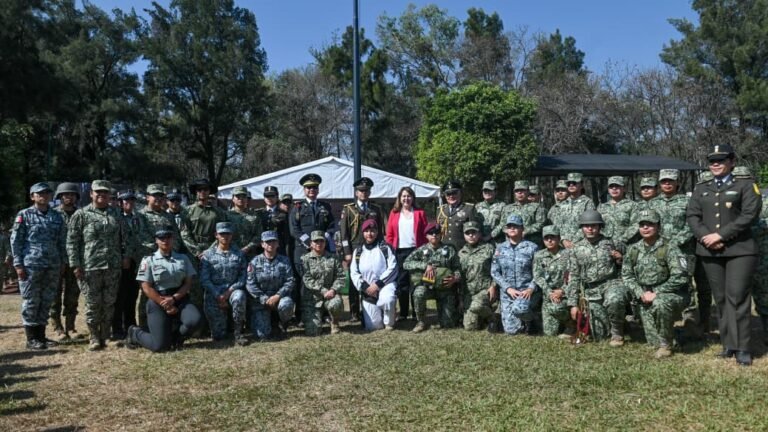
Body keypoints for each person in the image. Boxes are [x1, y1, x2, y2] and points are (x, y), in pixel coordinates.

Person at [687, 144, 762, 366]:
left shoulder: (746, 185)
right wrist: (705, 237)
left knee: (737, 297)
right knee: (720, 299)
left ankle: (743, 348)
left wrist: (720, 235)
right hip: (710, 251)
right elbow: (692, 215)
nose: (716, 164)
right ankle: (728, 344)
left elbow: (750, 215)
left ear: (732, 162)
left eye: (721, 160)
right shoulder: (701, 188)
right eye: (712, 161)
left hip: (739, 250)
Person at [66, 180, 129, 351]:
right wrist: (75, 264)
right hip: (90, 266)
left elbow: (125, 238)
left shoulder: (117, 213)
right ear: (91, 194)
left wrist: (125, 256)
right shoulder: (81, 214)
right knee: (93, 303)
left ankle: (106, 335)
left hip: (112, 265)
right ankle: (94, 337)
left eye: (105, 192)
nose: (101, 195)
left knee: (109, 302)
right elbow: (72, 242)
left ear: (109, 195)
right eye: (98, 192)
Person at [622, 210, 688, 358]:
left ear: (658, 226)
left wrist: (657, 292)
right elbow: (627, 276)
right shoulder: (633, 249)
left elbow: (681, 276)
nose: (645, 228)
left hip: (671, 295)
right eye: (642, 225)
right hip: (644, 297)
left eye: (650, 224)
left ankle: (666, 346)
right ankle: (677, 333)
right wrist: (640, 293)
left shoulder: (669, 247)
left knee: (660, 304)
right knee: (653, 341)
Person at [124, 228, 201, 352]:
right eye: (161, 238)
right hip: (157, 300)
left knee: (194, 320)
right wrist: (165, 304)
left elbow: (188, 283)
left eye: (168, 238)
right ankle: (135, 334)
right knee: (159, 347)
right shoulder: (149, 260)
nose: (165, 241)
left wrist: (174, 298)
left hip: (179, 298)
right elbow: (146, 287)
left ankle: (175, 339)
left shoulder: (183, 258)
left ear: (173, 239)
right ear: (156, 241)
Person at [11, 182, 67, 350]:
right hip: (31, 266)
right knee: (31, 300)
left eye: (46, 193)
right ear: (32, 196)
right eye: (39, 193)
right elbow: (16, 241)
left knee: (46, 300)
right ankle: (31, 338)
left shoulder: (57, 216)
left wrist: (63, 262)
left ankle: (41, 336)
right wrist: (18, 264)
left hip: (52, 265)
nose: (43, 196)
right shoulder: (24, 215)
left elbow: (61, 241)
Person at [564, 210, 628, 345]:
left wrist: (620, 259)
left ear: (600, 227)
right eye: (586, 226)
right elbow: (574, 277)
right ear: (582, 228)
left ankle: (617, 333)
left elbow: (630, 262)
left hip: (611, 283)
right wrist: (573, 304)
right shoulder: (576, 249)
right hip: (591, 290)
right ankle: (620, 325)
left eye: (594, 225)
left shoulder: (612, 242)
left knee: (615, 299)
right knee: (600, 335)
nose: (590, 229)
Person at [289, 173, 335, 324]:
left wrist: (324, 239)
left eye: (314, 187)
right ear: (304, 190)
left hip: (322, 252)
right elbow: (294, 229)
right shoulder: (297, 207)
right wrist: (309, 243)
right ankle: (302, 315)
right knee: (304, 284)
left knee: (323, 281)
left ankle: (323, 313)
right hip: (303, 252)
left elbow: (332, 226)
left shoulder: (325, 207)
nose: (312, 190)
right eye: (309, 188)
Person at [339, 177, 385, 323]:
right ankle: (354, 312)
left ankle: (373, 306)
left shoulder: (376, 209)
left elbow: (381, 231)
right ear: (356, 192)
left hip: (372, 249)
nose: (364, 193)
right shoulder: (348, 209)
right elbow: (344, 233)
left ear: (370, 192)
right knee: (354, 281)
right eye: (361, 191)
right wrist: (347, 252)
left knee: (371, 278)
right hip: (354, 249)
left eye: (366, 191)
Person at [404, 223, 460, 332]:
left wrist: (455, 278)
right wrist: (425, 266)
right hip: (427, 287)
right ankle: (420, 321)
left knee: (448, 324)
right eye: (431, 233)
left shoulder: (449, 250)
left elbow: (458, 269)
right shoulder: (421, 250)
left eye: (437, 233)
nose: (434, 235)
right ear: (426, 236)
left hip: (445, 289)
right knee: (418, 293)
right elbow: (406, 263)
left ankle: (447, 315)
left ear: (441, 234)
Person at [199, 222, 248, 345]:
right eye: (222, 234)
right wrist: (218, 295)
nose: (225, 237)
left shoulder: (240, 254)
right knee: (219, 336)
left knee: (239, 297)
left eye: (228, 234)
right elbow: (205, 279)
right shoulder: (207, 255)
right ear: (216, 235)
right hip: (214, 293)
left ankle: (238, 332)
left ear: (232, 235)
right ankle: (220, 329)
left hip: (232, 291)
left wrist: (229, 292)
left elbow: (243, 277)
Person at [112, 190, 152, 340]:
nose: (129, 203)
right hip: (121, 261)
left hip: (137, 260)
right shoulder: (115, 217)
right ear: (120, 203)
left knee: (132, 294)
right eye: (125, 201)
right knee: (119, 295)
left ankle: (130, 324)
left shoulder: (139, 217)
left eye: (131, 200)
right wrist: (124, 256)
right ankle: (117, 328)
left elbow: (143, 235)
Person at [491, 215, 539, 335]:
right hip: (508, 294)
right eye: (509, 226)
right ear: (506, 230)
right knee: (511, 331)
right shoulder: (500, 248)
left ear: (522, 229)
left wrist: (531, 288)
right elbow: (495, 272)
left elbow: (539, 272)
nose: (512, 228)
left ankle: (532, 319)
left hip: (525, 292)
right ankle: (522, 321)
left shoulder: (532, 248)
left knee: (520, 309)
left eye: (515, 226)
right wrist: (508, 288)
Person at [385, 186, 428, 321]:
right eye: (403, 196)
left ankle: (417, 313)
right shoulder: (394, 213)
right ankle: (403, 313)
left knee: (416, 282)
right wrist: (391, 250)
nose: (406, 198)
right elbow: (389, 234)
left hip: (416, 251)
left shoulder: (420, 213)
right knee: (402, 283)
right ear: (399, 198)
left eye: (409, 196)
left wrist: (425, 250)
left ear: (413, 198)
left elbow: (426, 233)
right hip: (400, 252)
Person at [247, 230, 295, 341]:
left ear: (278, 243)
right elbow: (250, 284)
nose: (271, 244)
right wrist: (264, 298)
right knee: (262, 336)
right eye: (268, 242)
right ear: (262, 244)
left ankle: (283, 324)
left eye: (273, 241)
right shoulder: (254, 261)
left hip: (279, 298)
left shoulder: (285, 260)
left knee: (287, 304)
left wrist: (278, 296)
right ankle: (269, 323)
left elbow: (290, 281)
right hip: (261, 301)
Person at [350, 220, 398, 331]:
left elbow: (393, 268)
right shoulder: (358, 251)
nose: (369, 234)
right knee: (374, 326)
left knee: (388, 299)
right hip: (368, 291)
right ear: (363, 233)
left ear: (377, 232)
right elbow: (354, 273)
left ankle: (389, 321)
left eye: (372, 231)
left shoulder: (385, 248)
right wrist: (365, 287)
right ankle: (377, 312)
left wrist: (378, 284)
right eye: (366, 231)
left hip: (385, 285)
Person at [50, 182, 82, 340]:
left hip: (75, 262)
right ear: (60, 197)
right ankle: (58, 328)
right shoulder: (53, 215)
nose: (69, 197)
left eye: (72, 194)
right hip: (56, 262)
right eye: (65, 195)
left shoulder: (81, 214)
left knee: (73, 295)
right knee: (54, 296)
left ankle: (71, 327)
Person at [300, 230, 345, 335]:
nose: (319, 244)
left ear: (325, 243)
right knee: (313, 332)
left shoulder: (333, 258)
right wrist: (322, 290)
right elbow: (307, 278)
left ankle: (334, 322)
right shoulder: (304, 259)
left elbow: (341, 276)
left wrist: (333, 290)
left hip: (330, 295)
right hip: (313, 299)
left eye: (321, 241)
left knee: (335, 304)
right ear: (311, 243)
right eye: (316, 241)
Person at [534, 226, 573, 338]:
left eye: (552, 237)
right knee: (550, 334)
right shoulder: (539, 255)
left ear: (559, 238)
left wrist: (562, 291)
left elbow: (573, 276)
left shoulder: (568, 254)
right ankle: (561, 323)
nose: (550, 240)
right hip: (549, 296)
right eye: (546, 238)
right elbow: (538, 277)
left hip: (565, 295)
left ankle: (571, 324)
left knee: (556, 308)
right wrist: (550, 292)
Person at [457, 221, 496, 331]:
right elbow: (461, 278)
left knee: (476, 306)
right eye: (467, 233)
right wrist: (461, 299)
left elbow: (498, 269)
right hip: (469, 294)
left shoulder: (489, 249)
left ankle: (492, 318)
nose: (471, 235)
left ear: (479, 234)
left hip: (485, 290)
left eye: (474, 232)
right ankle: (482, 318)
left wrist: (493, 285)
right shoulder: (461, 253)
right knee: (470, 327)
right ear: (464, 235)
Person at [494, 180, 546, 248]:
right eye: (517, 191)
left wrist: (525, 231)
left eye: (522, 190)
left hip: (531, 244)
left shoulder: (537, 207)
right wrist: (511, 232)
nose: (520, 192)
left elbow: (541, 223)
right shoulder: (507, 208)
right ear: (514, 193)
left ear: (528, 192)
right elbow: (503, 225)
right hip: (511, 245)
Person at [436, 180, 478, 251]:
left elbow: (474, 232)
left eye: (454, 193)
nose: (451, 196)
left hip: (462, 250)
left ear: (460, 193)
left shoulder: (469, 209)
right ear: (445, 196)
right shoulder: (440, 210)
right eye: (448, 194)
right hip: (444, 249)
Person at [597, 176, 638, 245]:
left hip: (627, 245)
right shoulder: (601, 207)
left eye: (617, 186)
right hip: (605, 245)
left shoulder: (633, 205)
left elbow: (636, 225)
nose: (614, 188)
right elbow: (597, 226)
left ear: (624, 188)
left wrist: (623, 239)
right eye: (611, 186)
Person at [558, 173, 596, 248]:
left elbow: (589, 225)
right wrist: (563, 240)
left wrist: (574, 241)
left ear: (581, 185)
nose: (571, 185)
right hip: (563, 245)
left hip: (581, 244)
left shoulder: (587, 202)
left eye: (574, 183)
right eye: (569, 183)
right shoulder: (563, 204)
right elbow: (558, 224)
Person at [228, 186, 262, 260]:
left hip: (250, 254)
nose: (241, 199)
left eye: (243, 196)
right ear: (233, 198)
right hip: (231, 252)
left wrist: (247, 247)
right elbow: (222, 235)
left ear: (247, 198)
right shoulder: (226, 215)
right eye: (238, 196)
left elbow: (258, 235)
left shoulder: (254, 216)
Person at [256, 186, 290, 256]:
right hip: (261, 248)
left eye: (272, 196)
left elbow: (287, 235)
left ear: (277, 197)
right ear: (264, 198)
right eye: (267, 196)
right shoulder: (258, 213)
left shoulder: (284, 214)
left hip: (278, 248)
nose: (269, 198)